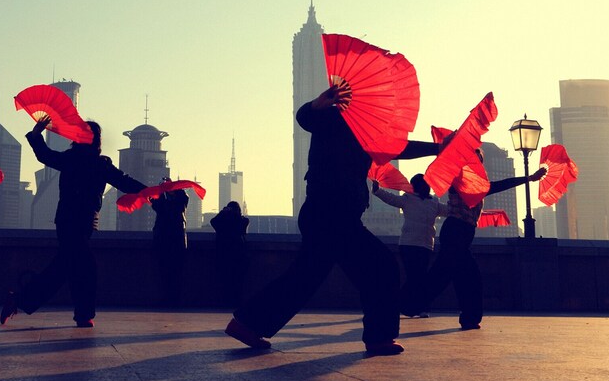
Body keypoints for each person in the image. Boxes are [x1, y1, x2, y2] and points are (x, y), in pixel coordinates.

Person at [225, 83, 440, 356]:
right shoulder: (334, 116)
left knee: (305, 277)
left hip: (331, 215)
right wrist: (319, 102)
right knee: (381, 268)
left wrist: (438, 148)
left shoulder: (367, 132)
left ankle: (246, 324)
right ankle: (378, 338)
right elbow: (305, 118)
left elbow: (399, 147)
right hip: (330, 213)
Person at [0, 116, 145, 328]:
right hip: (76, 222)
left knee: (67, 267)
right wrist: (150, 192)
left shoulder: (84, 161)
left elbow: (123, 181)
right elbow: (124, 181)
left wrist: (36, 133)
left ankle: (23, 300)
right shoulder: (90, 162)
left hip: (74, 222)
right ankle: (81, 314)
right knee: (84, 267)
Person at [401, 152, 546, 330]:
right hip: (455, 233)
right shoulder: (459, 180)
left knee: (449, 276)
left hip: (462, 234)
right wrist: (528, 178)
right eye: (474, 160)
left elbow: (490, 188)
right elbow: (495, 186)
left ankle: (410, 305)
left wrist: (529, 178)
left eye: (479, 161)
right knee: (462, 276)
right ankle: (412, 305)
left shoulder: (477, 184)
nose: (478, 163)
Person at [372, 175, 448, 317]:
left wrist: (463, 206)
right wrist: (378, 191)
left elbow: (448, 210)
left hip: (421, 245)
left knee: (417, 277)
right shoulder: (410, 199)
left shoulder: (433, 202)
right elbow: (392, 199)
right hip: (412, 244)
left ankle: (405, 306)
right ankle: (415, 307)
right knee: (416, 277)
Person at [151, 187, 189, 307]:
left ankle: (168, 299)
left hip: (166, 241)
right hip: (176, 241)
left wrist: (163, 191)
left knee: (168, 273)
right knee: (173, 273)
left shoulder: (176, 204)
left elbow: (156, 204)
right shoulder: (179, 205)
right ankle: (173, 299)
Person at [210, 201, 249, 307]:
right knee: (237, 280)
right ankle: (235, 301)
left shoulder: (229, 221)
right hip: (238, 254)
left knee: (226, 280)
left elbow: (213, 221)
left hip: (224, 254)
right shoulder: (241, 220)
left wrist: (223, 213)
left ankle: (226, 301)